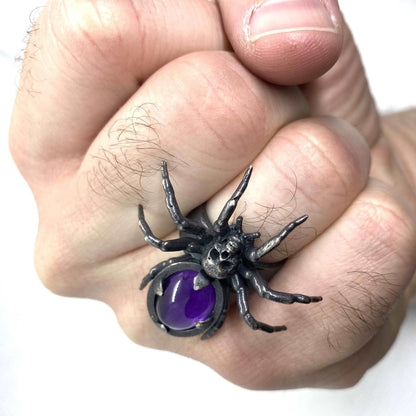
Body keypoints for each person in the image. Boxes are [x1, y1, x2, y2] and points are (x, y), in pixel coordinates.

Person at [9, 0, 415, 389]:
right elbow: (262, 298)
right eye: (226, 253)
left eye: (223, 252)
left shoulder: (207, 251)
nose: (227, 251)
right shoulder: (240, 276)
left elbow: (162, 233)